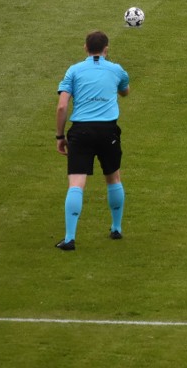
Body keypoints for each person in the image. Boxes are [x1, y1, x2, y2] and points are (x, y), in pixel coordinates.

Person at [55, 31, 130, 250]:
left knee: (76, 183)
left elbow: (62, 106)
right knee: (114, 178)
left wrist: (60, 136)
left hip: (81, 132)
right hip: (108, 131)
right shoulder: (117, 70)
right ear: (106, 49)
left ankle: (70, 238)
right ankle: (116, 228)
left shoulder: (74, 71)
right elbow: (125, 91)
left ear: (85, 48)